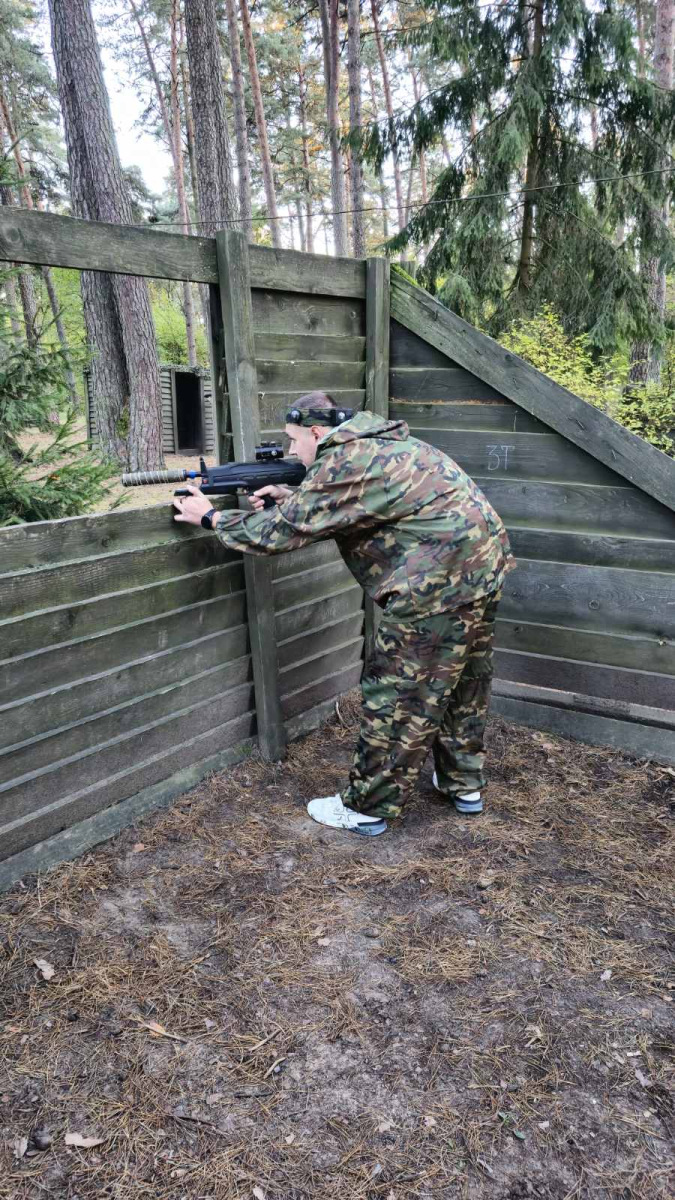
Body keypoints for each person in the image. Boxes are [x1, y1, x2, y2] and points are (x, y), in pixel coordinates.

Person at [174, 391, 514, 836]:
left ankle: (368, 808)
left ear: (317, 432)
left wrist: (211, 519)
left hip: (436, 585)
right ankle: (463, 783)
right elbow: (359, 502)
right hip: (483, 570)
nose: (292, 449)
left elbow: (276, 534)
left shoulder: (343, 460)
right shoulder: (381, 442)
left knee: (399, 697)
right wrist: (295, 495)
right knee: (464, 681)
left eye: (294, 439)